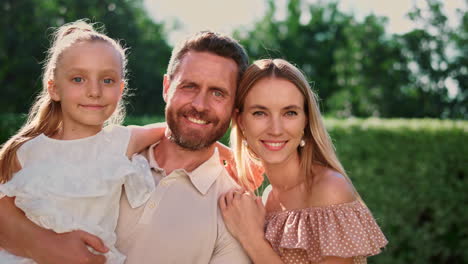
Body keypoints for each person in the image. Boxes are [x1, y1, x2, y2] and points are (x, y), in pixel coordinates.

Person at [0, 30, 252, 264]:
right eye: (189, 86)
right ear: (167, 87)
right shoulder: (116, 151)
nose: (200, 104)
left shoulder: (234, 210)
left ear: (235, 107)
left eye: (218, 93)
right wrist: (44, 245)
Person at [0, 20, 168, 263]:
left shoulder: (120, 141)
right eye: (78, 79)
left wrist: (221, 152)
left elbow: (177, 129)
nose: (94, 91)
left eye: (107, 80)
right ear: (54, 88)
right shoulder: (26, 151)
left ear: (121, 90)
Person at [219, 59, 388, 264]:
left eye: (290, 113)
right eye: (259, 113)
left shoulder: (329, 189)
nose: (276, 129)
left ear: (306, 120)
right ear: (240, 120)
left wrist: (252, 239)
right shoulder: (266, 199)